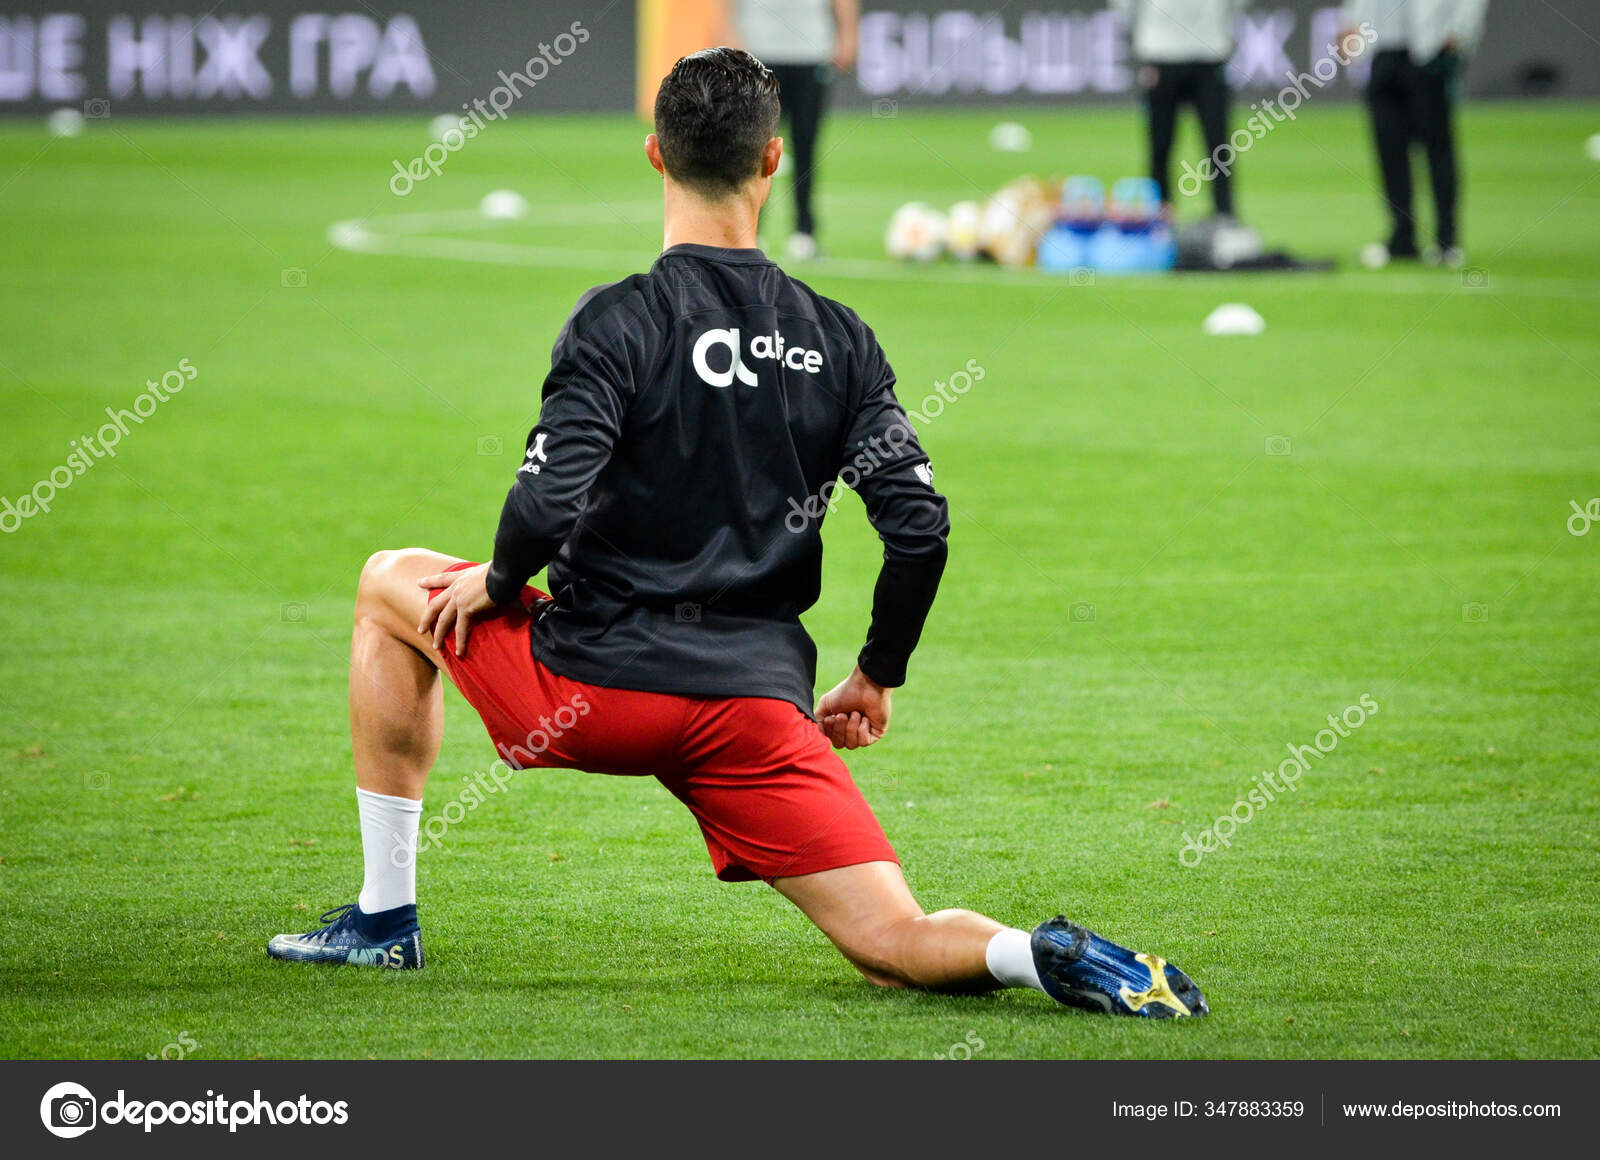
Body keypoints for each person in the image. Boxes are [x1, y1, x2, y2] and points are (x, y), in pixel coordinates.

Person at [266, 48, 1207, 1020]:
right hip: (753, 706)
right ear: (773, 161)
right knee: (894, 940)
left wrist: (499, 584)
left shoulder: (618, 322)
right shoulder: (838, 337)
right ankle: (1031, 951)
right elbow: (918, 528)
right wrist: (874, 673)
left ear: (653, 156)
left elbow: (546, 502)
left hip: (595, 687)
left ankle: (385, 919)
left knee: (389, 581)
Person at [1346, 0, 1489, 268]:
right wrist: (1350, 21)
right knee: (1389, 150)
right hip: (1382, 49)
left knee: (1438, 147)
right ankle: (1402, 238)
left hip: (1428, 49)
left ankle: (1447, 241)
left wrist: (1461, 31)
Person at [720, 0, 857, 261]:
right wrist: (728, 32)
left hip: (812, 49)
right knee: (754, 147)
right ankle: (750, 232)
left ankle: (804, 232)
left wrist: (848, 33)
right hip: (758, 50)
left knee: (805, 145)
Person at [1112, 0, 1248, 219]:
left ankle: (1224, 216)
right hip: (1164, 53)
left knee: (1217, 144)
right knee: (1161, 145)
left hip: (1207, 52)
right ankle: (1160, 218)